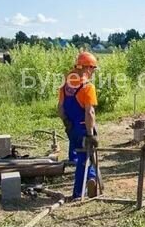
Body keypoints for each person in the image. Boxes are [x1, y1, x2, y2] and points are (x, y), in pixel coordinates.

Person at [58, 51, 99, 198]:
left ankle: (93, 180)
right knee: (84, 159)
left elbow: (60, 108)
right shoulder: (88, 87)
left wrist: (67, 123)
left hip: (71, 127)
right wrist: (90, 134)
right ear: (87, 68)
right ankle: (77, 193)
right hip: (83, 127)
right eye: (93, 69)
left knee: (87, 156)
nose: (93, 72)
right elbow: (90, 113)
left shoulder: (65, 85)